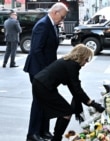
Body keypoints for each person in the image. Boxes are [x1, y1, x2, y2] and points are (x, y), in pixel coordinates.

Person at [32, 44, 105, 141]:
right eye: (86, 60)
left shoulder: (69, 62)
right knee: (66, 112)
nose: (86, 63)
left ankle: (55, 137)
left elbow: (74, 87)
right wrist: (92, 103)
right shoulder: (72, 65)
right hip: (43, 86)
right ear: (81, 56)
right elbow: (76, 88)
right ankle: (56, 138)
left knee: (63, 111)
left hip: (41, 84)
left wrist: (89, 102)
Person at [23, 2, 69, 141]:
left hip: (46, 70)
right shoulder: (43, 24)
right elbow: (37, 51)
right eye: (62, 17)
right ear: (55, 12)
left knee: (45, 101)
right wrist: (45, 73)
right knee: (39, 101)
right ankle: (33, 133)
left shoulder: (52, 25)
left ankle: (43, 130)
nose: (62, 20)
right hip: (39, 70)